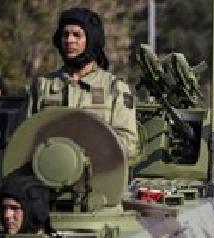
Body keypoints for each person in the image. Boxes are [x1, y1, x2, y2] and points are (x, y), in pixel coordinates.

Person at [28, 7, 139, 161]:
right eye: (65, 35)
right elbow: (22, 137)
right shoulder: (43, 86)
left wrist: (90, 146)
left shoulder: (115, 88)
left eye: (77, 35)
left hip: (98, 173)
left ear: (91, 40)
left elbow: (128, 143)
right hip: (49, 170)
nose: (69, 40)